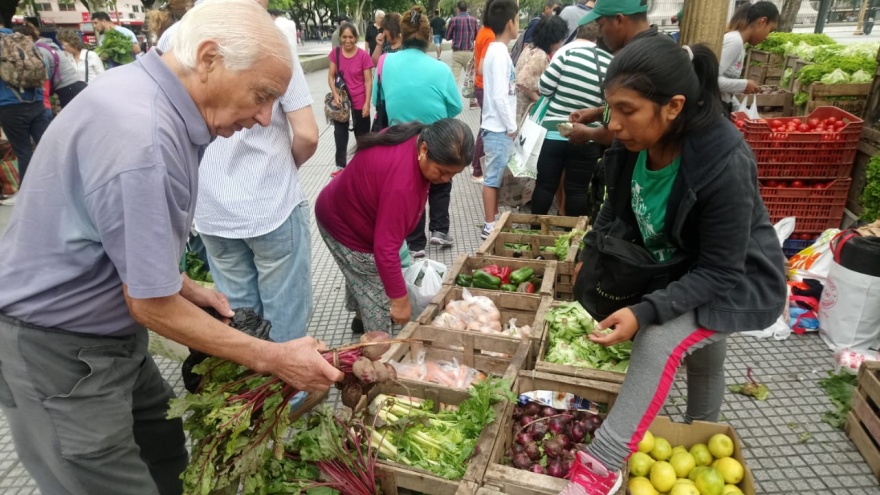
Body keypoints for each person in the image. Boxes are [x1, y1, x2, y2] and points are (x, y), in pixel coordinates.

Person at [0, 1, 343, 494]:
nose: (267, 117)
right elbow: (148, 304)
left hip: (110, 342)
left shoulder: (152, 99)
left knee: (163, 448)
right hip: (58, 351)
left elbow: (110, 232)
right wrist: (272, 357)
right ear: (207, 58)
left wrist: (181, 283)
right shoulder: (145, 141)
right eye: (262, 94)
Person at [559, 38, 786, 495]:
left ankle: (599, 467)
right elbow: (615, 208)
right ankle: (699, 437)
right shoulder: (632, 145)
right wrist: (591, 249)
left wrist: (645, 312)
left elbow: (722, 270)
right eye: (610, 108)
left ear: (673, 107)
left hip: (734, 278)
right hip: (683, 268)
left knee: (659, 337)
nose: (614, 124)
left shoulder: (723, 161)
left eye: (627, 110)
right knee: (703, 354)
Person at [193, 5, 319, 344]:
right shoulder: (269, 38)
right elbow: (307, 134)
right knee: (285, 322)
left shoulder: (178, 36)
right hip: (270, 203)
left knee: (240, 319)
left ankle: (250, 393)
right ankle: (289, 396)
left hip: (210, 210)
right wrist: (285, 166)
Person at [316, 120, 473, 334]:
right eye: (442, 171)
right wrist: (400, 301)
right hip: (343, 224)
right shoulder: (403, 187)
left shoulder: (416, 136)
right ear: (425, 150)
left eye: (453, 175)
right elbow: (385, 250)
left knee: (361, 275)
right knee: (373, 285)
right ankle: (376, 352)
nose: (445, 180)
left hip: (343, 205)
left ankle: (360, 318)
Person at [375, 6, 462, 257]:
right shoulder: (440, 69)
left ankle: (414, 243)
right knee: (440, 184)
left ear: (400, 34)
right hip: (435, 137)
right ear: (427, 38)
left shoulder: (385, 62)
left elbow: (378, 100)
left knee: (411, 187)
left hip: (400, 140)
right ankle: (439, 231)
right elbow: (455, 106)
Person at [532, 21, 610, 218]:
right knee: (577, 190)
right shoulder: (611, 62)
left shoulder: (567, 53)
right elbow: (609, 103)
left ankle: (534, 235)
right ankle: (574, 239)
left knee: (545, 185)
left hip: (554, 131)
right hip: (589, 136)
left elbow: (545, 88)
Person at [567, 0, 662, 148]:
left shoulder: (630, 62)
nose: (599, 33)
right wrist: (597, 112)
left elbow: (619, 131)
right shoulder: (661, 46)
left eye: (601, 25)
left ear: (618, 20)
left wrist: (587, 133)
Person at [480, 0, 519, 240]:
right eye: (518, 20)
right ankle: (489, 225)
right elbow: (499, 95)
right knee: (492, 179)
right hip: (498, 128)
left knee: (495, 178)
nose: (519, 25)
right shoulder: (499, 53)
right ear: (510, 23)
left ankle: (493, 222)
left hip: (497, 127)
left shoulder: (497, 51)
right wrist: (512, 126)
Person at [0, 20, 51, 194]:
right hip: (36, 102)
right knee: (48, 146)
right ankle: (59, 184)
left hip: (9, 105)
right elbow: (46, 72)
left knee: (23, 151)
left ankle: (30, 193)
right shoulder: (23, 38)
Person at [328, 22, 373, 172]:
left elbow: (368, 81)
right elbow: (331, 76)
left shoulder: (363, 56)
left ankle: (363, 166)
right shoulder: (336, 53)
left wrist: (367, 103)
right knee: (340, 136)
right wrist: (335, 94)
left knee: (363, 137)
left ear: (356, 38)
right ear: (340, 37)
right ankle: (340, 167)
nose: (348, 40)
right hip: (342, 103)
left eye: (351, 37)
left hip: (360, 102)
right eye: (344, 37)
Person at [720, 1, 779, 112]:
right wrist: (744, 84)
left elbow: (725, 94)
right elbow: (710, 80)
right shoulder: (734, 42)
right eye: (770, 30)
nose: (767, 37)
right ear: (762, 21)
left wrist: (743, 112)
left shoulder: (739, 44)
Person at [18, 24, 87, 109]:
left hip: (68, 90)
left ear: (29, 38)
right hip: (76, 86)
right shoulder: (48, 46)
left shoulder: (40, 51)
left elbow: (43, 76)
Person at [515, 15, 567, 124]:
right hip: (527, 112)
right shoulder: (540, 56)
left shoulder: (530, 48)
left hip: (517, 108)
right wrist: (538, 101)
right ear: (554, 38)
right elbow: (522, 81)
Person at [469, 0, 498, 184]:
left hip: (482, 86)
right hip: (485, 86)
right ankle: (477, 170)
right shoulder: (489, 35)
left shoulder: (484, 31)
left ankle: (476, 166)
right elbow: (481, 67)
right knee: (485, 128)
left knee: (484, 126)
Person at [445, 0, 478, 82]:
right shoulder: (473, 20)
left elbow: (448, 37)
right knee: (471, 79)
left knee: (454, 79)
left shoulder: (453, 20)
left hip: (457, 53)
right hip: (469, 53)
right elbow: (476, 37)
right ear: (466, 9)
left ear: (458, 9)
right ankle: (472, 95)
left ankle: (453, 94)